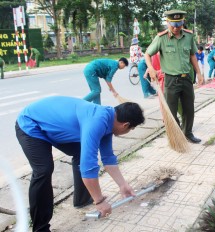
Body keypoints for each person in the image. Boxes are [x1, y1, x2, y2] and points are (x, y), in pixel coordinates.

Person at [15, 96, 145, 231]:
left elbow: (108, 158)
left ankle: (82, 199)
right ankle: (40, 228)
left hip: (54, 126)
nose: (128, 131)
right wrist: (99, 201)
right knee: (43, 169)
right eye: (131, 129)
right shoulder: (97, 121)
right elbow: (88, 168)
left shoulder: (109, 120)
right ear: (126, 125)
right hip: (31, 123)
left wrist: (123, 185)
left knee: (81, 153)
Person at [144, 9, 203, 144]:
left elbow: (192, 55)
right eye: (173, 25)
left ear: (183, 23)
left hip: (187, 78)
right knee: (171, 111)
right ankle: (175, 135)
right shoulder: (161, 38)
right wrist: (151, 68)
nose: (176, 28)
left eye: (179, 24)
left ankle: (187, 133)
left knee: (189, 108)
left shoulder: (188, 37)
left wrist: (199, 73)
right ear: (168, 22)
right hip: (171, 80)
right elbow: (147, 54)